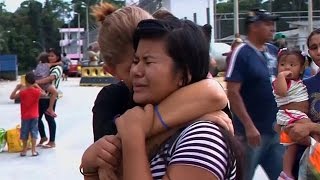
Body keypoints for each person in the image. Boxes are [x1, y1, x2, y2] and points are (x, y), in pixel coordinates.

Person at [80, 3, 237, 179]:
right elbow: (113, 168)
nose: (136, 71)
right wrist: (90, 167)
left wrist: (134, 133)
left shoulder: (201, 139)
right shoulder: (113, 100)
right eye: (135, 61)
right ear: (112, 71)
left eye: (148, 61)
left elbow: (214, 94)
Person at [225, 9, 284, 180]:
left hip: (275, 130)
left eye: (272, 23)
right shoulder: (242, 53)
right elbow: (233, 92)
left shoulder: (273, 51)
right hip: (252, 134)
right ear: (253, 27)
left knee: (281, 175)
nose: (272, 28)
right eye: (267, 24)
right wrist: (249, 126)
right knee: (245, 175)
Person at [272, 48, 314, 179]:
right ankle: (314, 148)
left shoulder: (300, 81)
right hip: (291, 115)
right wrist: (281, 77)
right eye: (282, 64)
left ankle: (286, 172)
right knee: (310, 132)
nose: (286, 68)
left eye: (292, 65)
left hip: (297, 116)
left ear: (301, 69)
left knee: (292, 147)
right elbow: (282, 92)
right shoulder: (280, 82)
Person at [285, 28, 320, 179]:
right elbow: (290, 128)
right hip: (308, 165)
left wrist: (311, 127)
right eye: (314, 48)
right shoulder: (303, 86)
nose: (319, 51)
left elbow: (306, 127)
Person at [9, 72, 45, 156]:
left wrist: (16, 88)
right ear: (34, 81)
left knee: (24, 133)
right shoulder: (37, 91)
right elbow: (44, 94)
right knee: (34, 133)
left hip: (25, 116)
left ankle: (24, 150)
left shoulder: (22, 92)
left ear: (25, 81)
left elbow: (11, 97)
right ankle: (33, 151)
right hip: (35, 115)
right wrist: (37, 86)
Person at [35, 48, 62, 148]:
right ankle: (43, 137)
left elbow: (51, 78)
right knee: (37, 118)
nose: (50, 58)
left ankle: (52, 141)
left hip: (50, 97)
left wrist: (37, 82)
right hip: (41, 96)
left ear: (57, 57)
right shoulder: (44, 66)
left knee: (49, 118)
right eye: (49, 56)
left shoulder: (57, 68)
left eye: (52, 56)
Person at [34, 52, 60, 118]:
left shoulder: (38, 65)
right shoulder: (48, 64)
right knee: (55, 92)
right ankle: (50, 108)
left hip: (37, 82)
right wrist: (59, 62)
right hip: (44, 82)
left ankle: (42, 93)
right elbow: (58, 63)